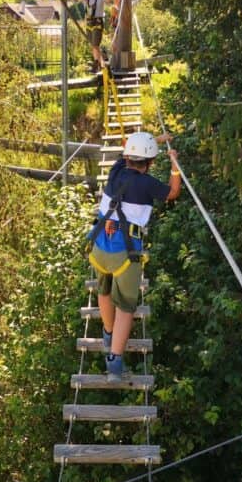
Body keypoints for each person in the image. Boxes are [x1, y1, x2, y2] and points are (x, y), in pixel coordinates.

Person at [88, 131, 181, 380]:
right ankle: (115, 365)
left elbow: (125, 146)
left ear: (128, 156)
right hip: (125, 254)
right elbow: (172, 193)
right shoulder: (148, 183)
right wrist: (174, 164)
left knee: (104, 291)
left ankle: (108, 334)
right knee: (126, 307)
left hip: (101, 245)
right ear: (150, 162)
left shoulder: (116, 169)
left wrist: (155, 141)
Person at [65, 0, 107, 68]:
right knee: (93, 45)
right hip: (89, 23)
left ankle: (100, 64)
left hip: (98, 23)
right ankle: (98, 63)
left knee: (96, 45)